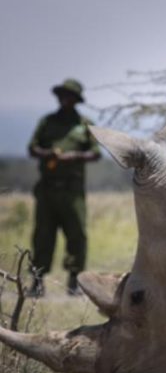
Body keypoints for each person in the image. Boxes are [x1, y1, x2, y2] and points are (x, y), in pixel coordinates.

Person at [27, 79, 101, 297]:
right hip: (47, 190)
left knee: (77, 234)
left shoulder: (84, 124)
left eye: (70, 96)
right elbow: (32, 148)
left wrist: (75, 156)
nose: (65, 99)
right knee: (43, 235)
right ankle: (37, 283)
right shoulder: (47, 122)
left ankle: (74, 282)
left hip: (72, 191)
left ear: (76, 100)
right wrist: (47, 154)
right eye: (62, 95)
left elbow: (96, 153)